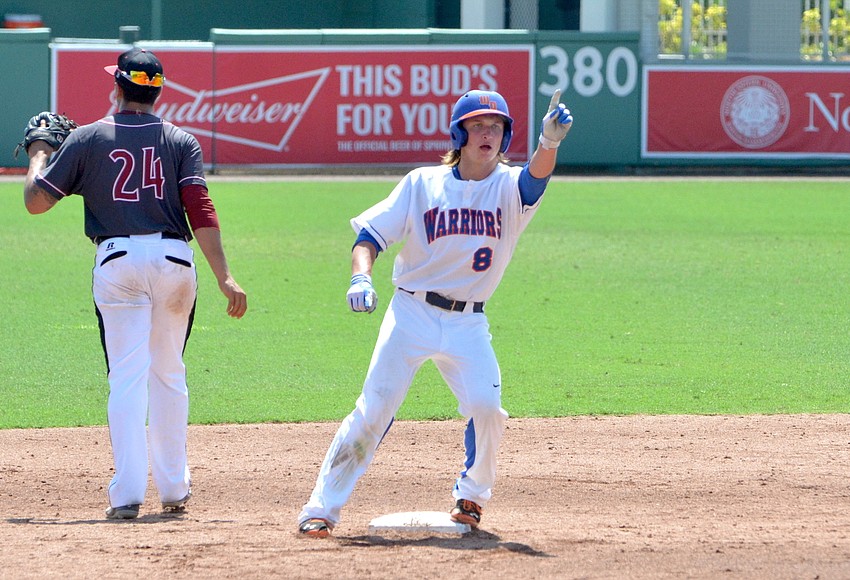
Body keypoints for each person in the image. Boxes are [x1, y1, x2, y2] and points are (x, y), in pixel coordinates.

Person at [297, 89, 573, 537]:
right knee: (374, 410)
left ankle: (471, 496)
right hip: (411, 312)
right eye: (479, 125)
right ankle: (321, 509)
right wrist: (360, 277)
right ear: (459, 133)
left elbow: (536, 179)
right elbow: (369, 237)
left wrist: (550, 143)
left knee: (487, 407)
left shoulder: (509, 187)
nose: (488, 133)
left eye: (497, 126)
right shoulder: (422, 183)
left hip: (468, 321)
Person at [23, 48, 248, 520]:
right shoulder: (181, 140)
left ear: (119, 88)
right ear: (157, 90)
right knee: (169, 375)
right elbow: (200, 210)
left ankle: (126, 495)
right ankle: (173, 489)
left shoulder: (86, 138)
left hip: (118, 262)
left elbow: (35, 202)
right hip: (174, 261)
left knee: (126, 379)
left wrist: (41, 152)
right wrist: (224, 276)